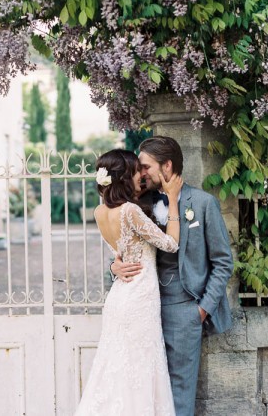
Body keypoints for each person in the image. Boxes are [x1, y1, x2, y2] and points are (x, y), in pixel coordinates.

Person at [111, 136, 234, 416]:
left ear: (167, 166)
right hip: (142, 310)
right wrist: (113, 268)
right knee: (142, 390)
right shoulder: (137, 204)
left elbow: (223, 262)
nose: (140, 173)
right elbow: (122, 249)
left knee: (179, 392)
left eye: (145, 166)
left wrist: (201, 310)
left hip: (183, 310)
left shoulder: (203, 204)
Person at [75, 149, 183, 416]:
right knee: (140, 368)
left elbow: (119, 254)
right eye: (136, 171)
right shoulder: (130, 211)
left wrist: (114, 266)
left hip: (121, 296)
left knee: (117, 369)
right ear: (125, 177)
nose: (141, 176)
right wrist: (172, 200)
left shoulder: (100, 211)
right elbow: (170, 244)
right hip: (139, 300)